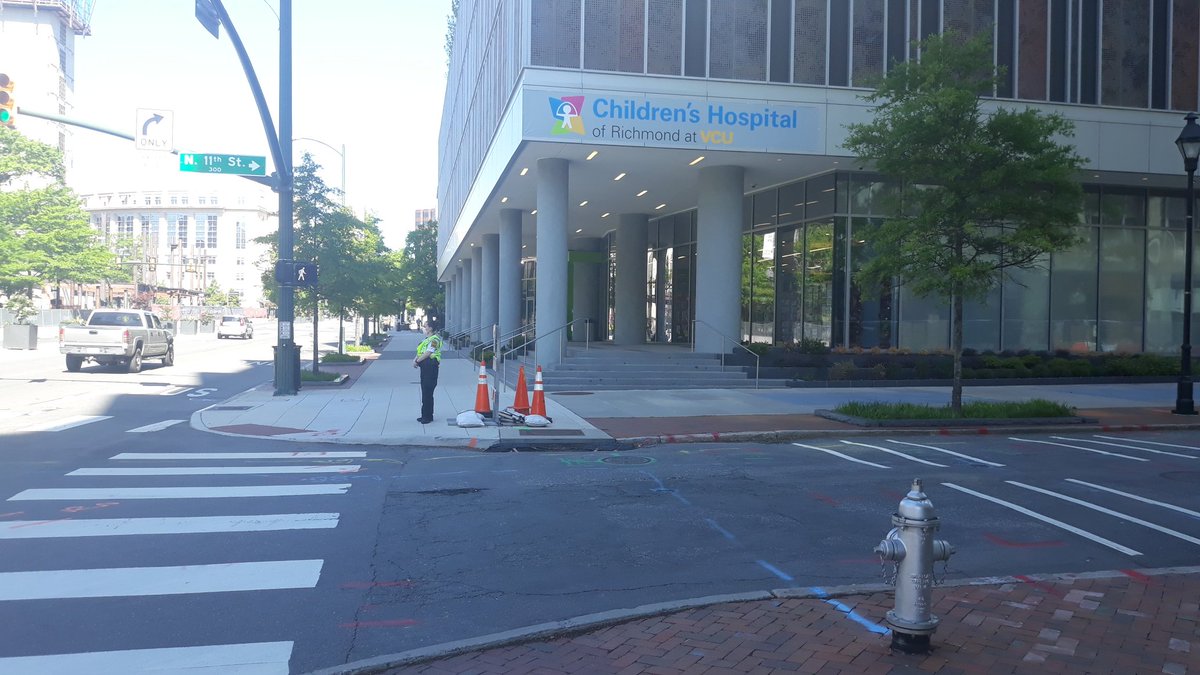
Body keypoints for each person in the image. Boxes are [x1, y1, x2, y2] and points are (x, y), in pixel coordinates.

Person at [413, 323, 443, 424]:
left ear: (430, 328)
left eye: (426, 326)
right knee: (425, 391)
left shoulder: (435, 340)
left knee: (428, 391)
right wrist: (415, 359)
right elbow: (420, 352)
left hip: (431, 367)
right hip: (425, 367)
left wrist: (417, 361)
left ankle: (428, 416)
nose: (424, 328)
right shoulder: (426, 340)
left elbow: (429, 352)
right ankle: (425, 415)